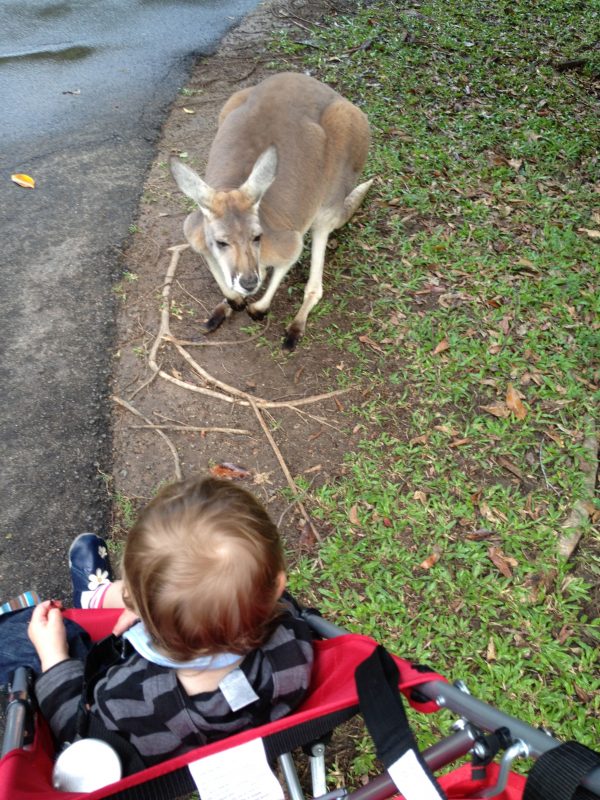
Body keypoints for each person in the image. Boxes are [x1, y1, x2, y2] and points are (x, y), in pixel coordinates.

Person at [22, 475, 314, 767]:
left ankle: (95, 597)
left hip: (147, 765)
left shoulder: (129, 693)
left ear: (133, 602)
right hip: (250, 737)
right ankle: (98, 596)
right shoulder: (294, 640)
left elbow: (81, 736)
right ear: (277, 586)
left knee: (31, 637)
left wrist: (53, 658)